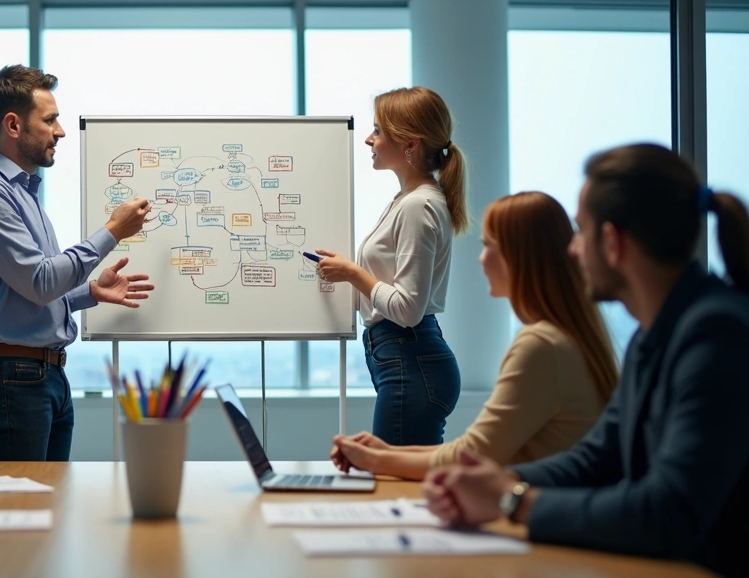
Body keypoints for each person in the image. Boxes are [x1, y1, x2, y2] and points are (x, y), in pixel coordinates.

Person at [421, 143, 749, 575]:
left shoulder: (716, 334)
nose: (573, 250)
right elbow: (596, 459)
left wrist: (513, 501)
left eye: (580, 231)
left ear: (612, 242)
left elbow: (669, 511)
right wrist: (497, 483)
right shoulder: (655, 335)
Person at [329, 191, 619, 480]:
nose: (481, 259)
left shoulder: (541, 345)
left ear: (518, 256)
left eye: (488, 245)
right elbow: (473, 449)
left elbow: (474, 455)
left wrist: (376, 459)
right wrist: (385, 453)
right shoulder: (560, 339)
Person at [0, 64, 155, 462]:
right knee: (22, 498)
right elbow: (40, 282)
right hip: (13, 377)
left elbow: (27, 292)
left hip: (43, 375)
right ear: (13, 125)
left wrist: (87, 293)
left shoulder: (22, 192)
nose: (60, 131)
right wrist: (113, 230)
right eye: (49, 120)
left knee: (50, 497)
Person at [315, 86, 469, 445]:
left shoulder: (418, 206)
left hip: (409, 357)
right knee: (398, 473)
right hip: (405, 356)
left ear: (410, 144)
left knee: (391, 474)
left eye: (378, 131)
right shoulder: (407, 201)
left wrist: (352, 273)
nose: (369, 140)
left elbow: (408, 310)